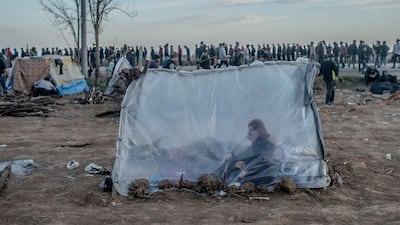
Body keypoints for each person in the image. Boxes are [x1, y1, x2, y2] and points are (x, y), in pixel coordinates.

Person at [213, 119, 277, 186]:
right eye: (249, 130)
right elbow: (245, 155)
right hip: (249, 170)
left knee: (233, 171)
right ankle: (215, 177)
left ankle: (217, 179)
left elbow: (263, 160)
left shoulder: (268, 145)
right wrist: (232, 154)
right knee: (230, 162)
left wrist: (247, 170)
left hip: (261, 172)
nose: (250, 133)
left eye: (252, 130)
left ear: (259, 131)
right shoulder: (254, 145)